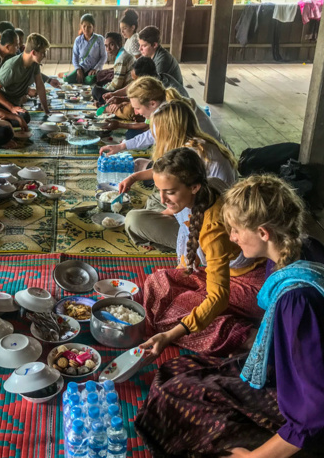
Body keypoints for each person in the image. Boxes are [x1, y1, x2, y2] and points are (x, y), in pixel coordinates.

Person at [135, 174, 324, 457]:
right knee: (173, 375)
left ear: (264, 233)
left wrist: (254, 457)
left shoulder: (296, 299)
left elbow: (317, 412)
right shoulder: (304, 248)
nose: (231, 238)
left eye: (235, 230)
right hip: (300, 377)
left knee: (177, 404)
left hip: (320, 413)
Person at [134, 148, 266, 356]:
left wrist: (172, 335)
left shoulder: (214, 231)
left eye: (170, 192)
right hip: (222, 274)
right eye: (159, 190)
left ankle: (248, 337)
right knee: (157, 282)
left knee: (173, 314)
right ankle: (221, 321)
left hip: (250, 286)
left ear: (194, 187)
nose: (162, 199)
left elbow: (218, 297)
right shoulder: (208, 185)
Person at [121, 97, 236, 254]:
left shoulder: (194, 153)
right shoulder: (196, 143)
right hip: (197, 202)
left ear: (169, 130)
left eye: (156, 129)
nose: (153, 134)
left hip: (211, 224)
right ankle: (161, 233)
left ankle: (186, 247)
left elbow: (197, 201)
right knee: (155, 198)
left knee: (134, 220)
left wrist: (159, 218)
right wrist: (134, 177)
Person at [101, 76, 225, 157]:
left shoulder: (172, 114)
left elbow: (170, 156)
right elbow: (153, 133)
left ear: (152, 103)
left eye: (137, 108)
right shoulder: (164, 105)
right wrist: (122, 146)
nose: (136, 112)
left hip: (209, 164)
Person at [0, 33, 52, 124]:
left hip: (15, 103)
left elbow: (40, 86)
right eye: (43, 53)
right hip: (1, 104)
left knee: (24, 117)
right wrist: (11, 107)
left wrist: (47, 111)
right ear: (33, 53)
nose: (44, 56)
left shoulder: (34, 64)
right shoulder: (12, 67)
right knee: (24, 118)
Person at [62, 14, 107, 85]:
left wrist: (95, 69)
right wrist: (78, 69)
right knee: (67, 79)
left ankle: (86, 78)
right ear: (81, 27)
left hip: (95, 69)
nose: (86, 29)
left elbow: (104, 56)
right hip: (83, 67)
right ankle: (73, 74)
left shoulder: (99, 39)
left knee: (90, 81)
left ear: (93, 27)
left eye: (89, 27)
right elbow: (75, 57)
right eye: (84, 26)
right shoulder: (78, 40)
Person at [91, 32, 135, 105]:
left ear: (119, 43)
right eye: (106, 46)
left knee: (95, 91)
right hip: (124, 88)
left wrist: (105, 90)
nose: (108, 49)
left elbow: (117, 85)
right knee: (101, 84)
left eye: (111, 44)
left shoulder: (122, 58)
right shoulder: (122, 54)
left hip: (127, 92)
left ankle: (105, 103)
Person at [138, 25, 184, 90]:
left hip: (172, 96)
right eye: (140, 45)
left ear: (154, 45)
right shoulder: (148, 55)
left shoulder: (163, 60)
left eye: (144, 46)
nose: (139, 49)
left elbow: (154, 86)